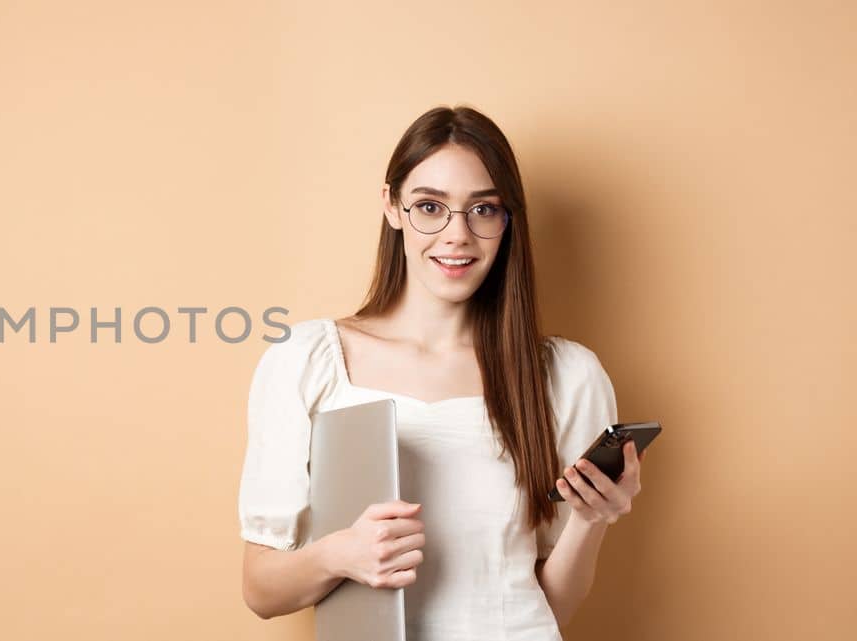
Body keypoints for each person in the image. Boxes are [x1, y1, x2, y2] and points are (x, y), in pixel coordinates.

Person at [236, 106, 647, 640]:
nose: (458, 236)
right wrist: (341, 555)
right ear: (392, 207)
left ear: (508, 222)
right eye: (431, 206)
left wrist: (592, 520)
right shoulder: (308, 359)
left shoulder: (567, 376)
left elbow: (552, 607)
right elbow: (261, 592)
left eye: (483, 210)